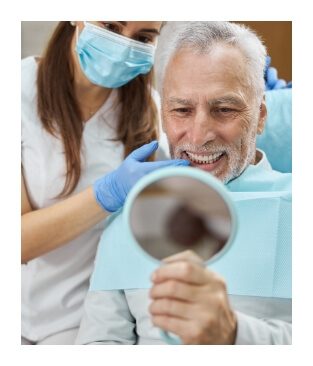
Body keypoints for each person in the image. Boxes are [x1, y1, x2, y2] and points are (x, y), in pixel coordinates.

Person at [75, 21, 291, 345]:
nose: (199, 134)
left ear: (260, 116)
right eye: (182, 109)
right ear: (163, 115)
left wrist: (234, 335)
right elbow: (99, 341)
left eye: (224, 109)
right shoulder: (130, 215)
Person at [21, 20, 190, 345]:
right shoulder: (17, 90)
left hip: (82, 322)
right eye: (111, 26)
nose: (124, 45)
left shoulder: (150, 113)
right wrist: (107, 194)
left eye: (143, 37)